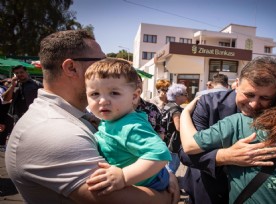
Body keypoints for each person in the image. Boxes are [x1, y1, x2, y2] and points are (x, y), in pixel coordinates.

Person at [5, 30, 179, 203]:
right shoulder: (53, 130)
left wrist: (164, 174)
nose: (107, 66)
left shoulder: (86, 116)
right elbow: (114, 199)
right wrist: (170, 195)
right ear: (71, 68)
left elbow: (151, 154)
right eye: (101, 61)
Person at [178, 56, 276, 204]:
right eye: (249, 94)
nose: (254, 104)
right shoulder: (208, 104)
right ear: (237, 83)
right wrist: (225, 156)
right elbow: (185, 153)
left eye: (265, 98)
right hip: (211, 191)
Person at [85, 58, 171, 193]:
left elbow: (160, 154)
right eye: (94, 94)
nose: (103, 101)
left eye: (114, 93)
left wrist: (124, 176)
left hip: (151, 186)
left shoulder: (131, 126)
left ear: (134, 96)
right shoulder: (113, 119)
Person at [163, 83, 188, 174]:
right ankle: (168, 185)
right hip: (173, 142)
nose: (186, 96)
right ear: (177, 96)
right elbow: (179, 127)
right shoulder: (176, 109)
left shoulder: (168, 105)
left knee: (167, 165)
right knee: (172, 167)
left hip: (165, 140)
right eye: (185, 94)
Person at [135, 75, 166, 139]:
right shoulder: (119, 108)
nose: (137, 85)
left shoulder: (152, 108)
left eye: (138, 82)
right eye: (132, 82)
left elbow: (160, 131)